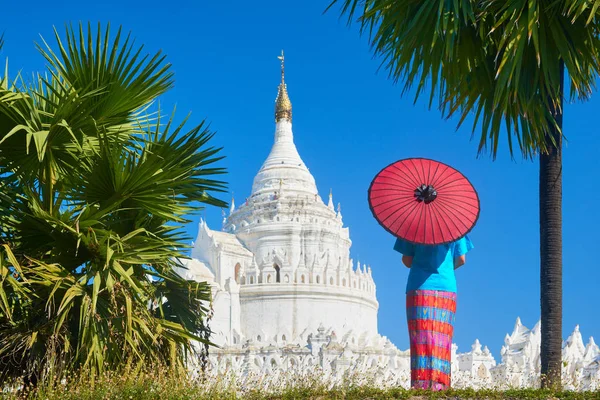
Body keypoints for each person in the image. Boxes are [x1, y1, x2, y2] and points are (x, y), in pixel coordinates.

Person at [394, 235, 474, 391]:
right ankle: (440, 385)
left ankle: (420, 384)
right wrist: (445, 269)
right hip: (446, 287)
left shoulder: (412, 223)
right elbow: (462, 259)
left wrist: (423, 265)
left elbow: (406, 260)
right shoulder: (456, 226)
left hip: (419, 286)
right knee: (442, 338)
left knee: (421, 337)